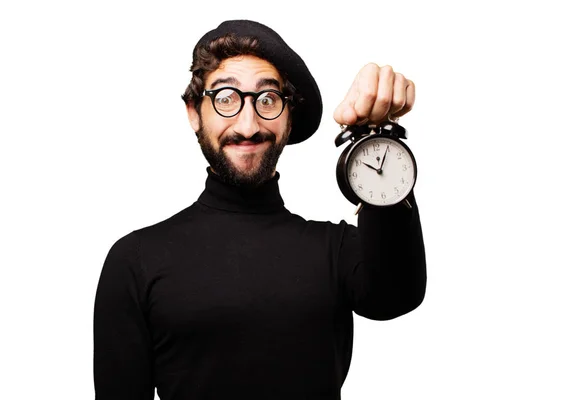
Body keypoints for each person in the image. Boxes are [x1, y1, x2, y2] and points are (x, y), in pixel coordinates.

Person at [93, 19, 426, 400]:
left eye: (268, 100)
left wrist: (375, 137)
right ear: (193, 112)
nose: (248, 125)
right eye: (226, 98)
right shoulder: (134, 260)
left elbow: (398, 294)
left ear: (288, 117)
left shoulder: (335, 249)